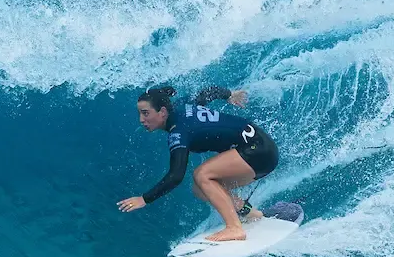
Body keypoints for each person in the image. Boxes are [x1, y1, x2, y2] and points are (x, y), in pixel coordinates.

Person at [117, 85, 279, 241]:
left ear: (163, 112)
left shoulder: (179, 131)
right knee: (200, 189)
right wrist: (229, 94)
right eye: (140, 113)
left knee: (202, 175)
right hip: (260, 146)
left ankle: (234, 228)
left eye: (146, 113)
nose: (141, 120)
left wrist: (144, 199)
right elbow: (207, 92)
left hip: (258, 150)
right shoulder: (182, 106)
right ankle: (252, 215)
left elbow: (176, 176)